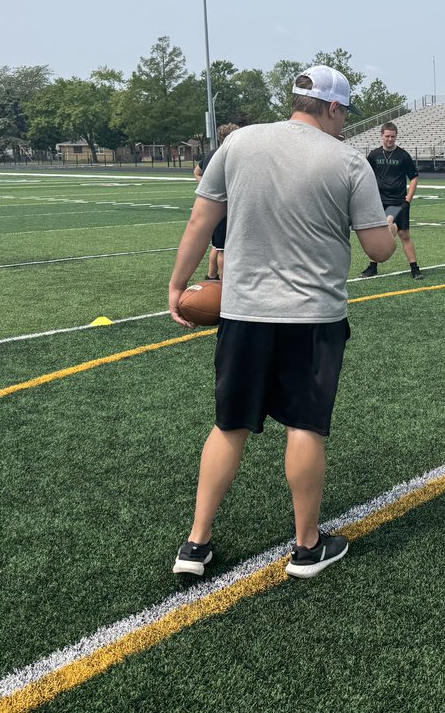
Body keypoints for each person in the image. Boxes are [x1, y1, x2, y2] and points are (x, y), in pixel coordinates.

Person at [167, 65, 395, 579]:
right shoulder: (347, 160)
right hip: (312, 317)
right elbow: (378, 249)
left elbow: (201, 220)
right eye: (343, 113)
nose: (344, 122)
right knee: (305, 426)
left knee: (229, 425)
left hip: (243, 311)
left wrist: (178, 286)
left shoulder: (239, 143)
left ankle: (195, 544)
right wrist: (383, 221)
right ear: (332, 107)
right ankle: (307, 547)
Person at [359, 122, 424, 280]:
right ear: (381, 136)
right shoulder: (374, 155)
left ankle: (415, 268)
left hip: (398, 201)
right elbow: (366, 175)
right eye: (387, 136)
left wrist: (408, 200)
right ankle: (373, 267)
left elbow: (414, 177)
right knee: (378, 232)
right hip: (379, 201)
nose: (390, 139)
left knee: (404, 234)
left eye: (392, 136)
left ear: (396, 137)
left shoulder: (403, 155)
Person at [193, 122, 241, 281]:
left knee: (217, 245)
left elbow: (197, 172)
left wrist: (207, 188)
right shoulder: (227, 155)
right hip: (225, 206)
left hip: (213, 205)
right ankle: (223, 283)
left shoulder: (211, 154)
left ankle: (212, 277)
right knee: (224, 249)